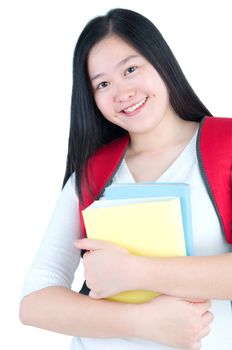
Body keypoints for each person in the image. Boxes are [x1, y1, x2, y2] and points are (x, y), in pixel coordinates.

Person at [19, 8, 232, 350]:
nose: (122, 92)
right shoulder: (92, 172)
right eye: (103, 84)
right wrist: (145, 322)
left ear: (161, 63)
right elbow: (34, 301)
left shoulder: (227, 145)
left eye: (131, 69)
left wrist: (137, 272)